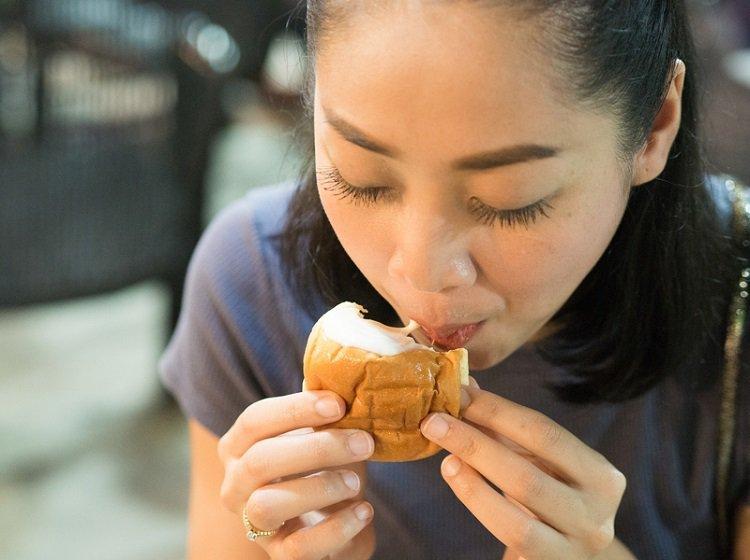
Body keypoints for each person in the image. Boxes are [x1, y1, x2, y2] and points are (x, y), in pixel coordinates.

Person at [159, 1, 750, 558]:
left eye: (509, 201)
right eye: (362, 179)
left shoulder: (733, 324)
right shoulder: (252, 281)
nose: (421, 271)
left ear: (654, 126)